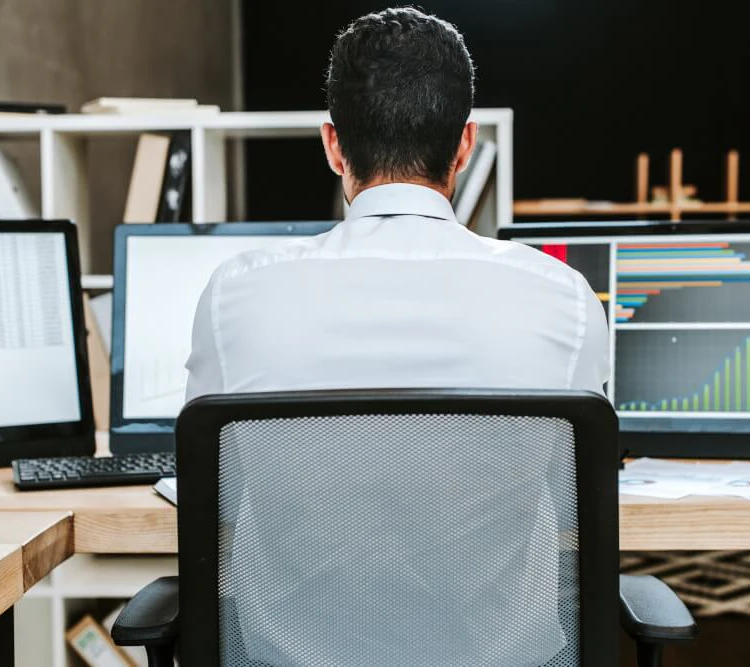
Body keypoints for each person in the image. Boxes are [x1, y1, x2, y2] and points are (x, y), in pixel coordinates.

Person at [184, 8, 609, 666]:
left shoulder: (235, 294)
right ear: (464, 146)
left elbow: (216, 484)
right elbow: (570, 491)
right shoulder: (564, 298)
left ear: (333, 146)